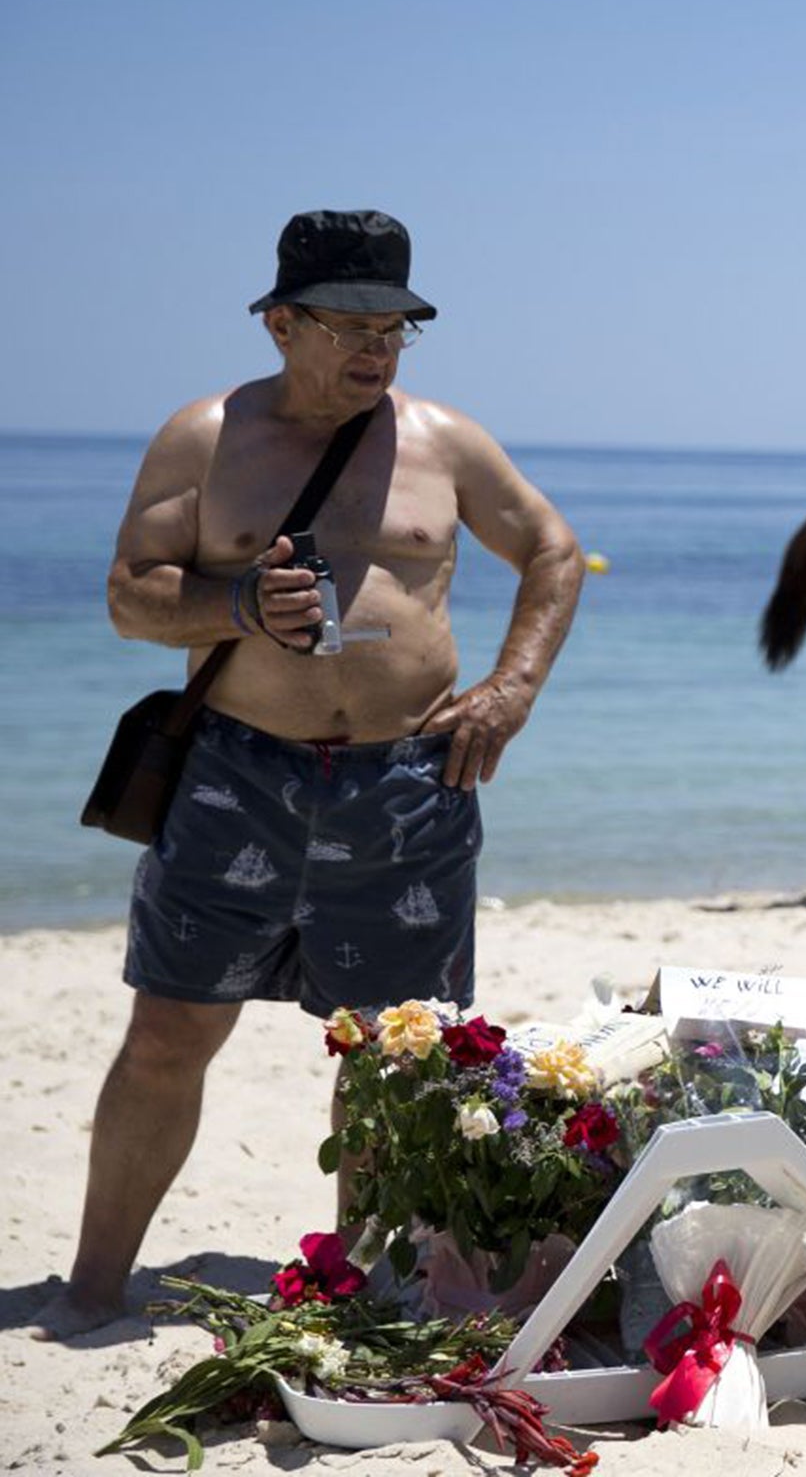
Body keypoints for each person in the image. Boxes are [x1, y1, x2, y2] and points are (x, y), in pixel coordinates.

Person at [33, 210, 584, 1338]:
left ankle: (367, 1296)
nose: (374, 348)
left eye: (394, 326)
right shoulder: (205, 438)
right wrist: (233, 604)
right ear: (282, 323)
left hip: (406, 788)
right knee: (171, 1034)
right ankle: (93, 1287)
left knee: (391, 1057)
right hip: (237, 777)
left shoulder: (446, 443)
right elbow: (132, 595)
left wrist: (510, 688)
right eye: (346, 324)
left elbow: (552, 549)